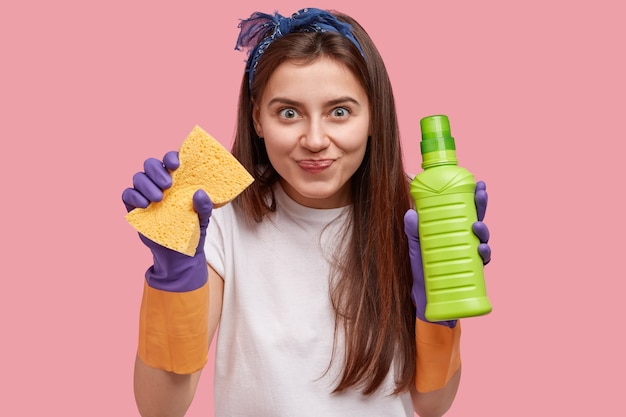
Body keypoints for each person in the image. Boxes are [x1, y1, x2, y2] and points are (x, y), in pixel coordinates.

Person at [122, 7, 491, 417]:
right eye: (288, 113)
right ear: (257, 118)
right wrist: (172, 281)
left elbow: (432, 404)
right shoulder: (222, 222)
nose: (315, 140)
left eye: (339, 112)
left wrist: (439, 311)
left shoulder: (415, 219)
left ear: (373, 117)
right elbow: (160, 408)